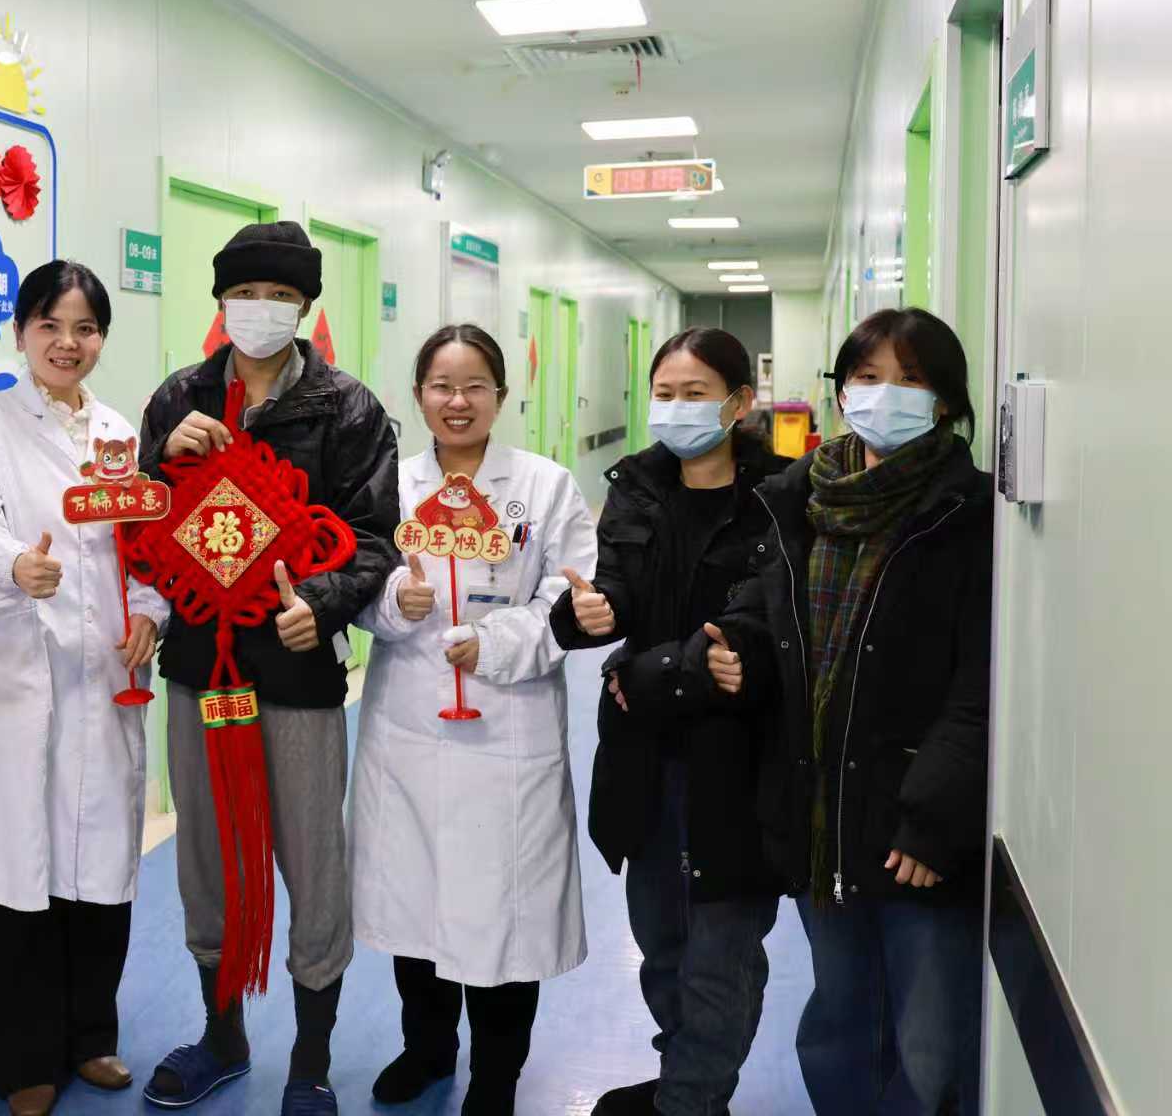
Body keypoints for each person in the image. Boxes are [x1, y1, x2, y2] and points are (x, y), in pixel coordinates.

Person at [138, 222, 400, 1116]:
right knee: (205, 855)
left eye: (280, 296)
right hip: (202, 670)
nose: (260, 309)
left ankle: (311, 1060)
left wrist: (320, 605)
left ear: (304, 307)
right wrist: (163, 461)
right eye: (245, 293)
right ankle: (222, 1037)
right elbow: (140, 524)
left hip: (294, 673)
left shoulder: (347, 408)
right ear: (221, 301)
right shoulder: (179, 397)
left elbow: (373, 537)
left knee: (313, 859)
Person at [716, 308, 991, 1116]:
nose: (885, 395)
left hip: (915, 827)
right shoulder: (801, 500)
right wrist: (732, 648)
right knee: (840, 1021)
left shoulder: (968, 513)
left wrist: (933, 816)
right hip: (822, 812)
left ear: (945, 402)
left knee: (927, 1037)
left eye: (911, 379)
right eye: (868, 377)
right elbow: (772, 617)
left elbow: (981, 682)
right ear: (841, 393)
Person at [0, 261, 168, 1116]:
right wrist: (12, 566)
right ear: (21, 332)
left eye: (85, 328)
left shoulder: (117, 433)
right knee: (18, 874)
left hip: (105, 678)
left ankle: (89, 1037)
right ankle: (21, 1059)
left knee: (99, 868)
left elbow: (144, 550)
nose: (68, 344)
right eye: (51, 326)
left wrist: (151, 614)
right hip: (19, 680)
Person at [353, 324, 596, 1116]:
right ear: (418, 395)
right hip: (411, 725)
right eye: (441, 386)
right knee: (416, 906)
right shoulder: (390, 486)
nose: (457, 402)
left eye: (474, 387)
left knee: (505, 920)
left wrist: (495, 642)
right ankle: (426, 1051)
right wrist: (396, 602)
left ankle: (497, 1078)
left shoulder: (546, 487)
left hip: (506, 728)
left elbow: (568, 596)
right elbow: (356, 582)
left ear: (500, 395)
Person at [549, 327, 788, 1116]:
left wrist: (648, 672)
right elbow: (612, 593)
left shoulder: (782, 497)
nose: (676, 408)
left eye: (695, 394)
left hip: (738, 756)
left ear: (738, 403)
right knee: (660, 943)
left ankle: (691, 1100)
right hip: (645, 753)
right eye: (664, 394)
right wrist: (586, 614)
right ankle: (684, 1078)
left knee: (721, 953)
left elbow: (758, 624)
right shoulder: (637, 487)